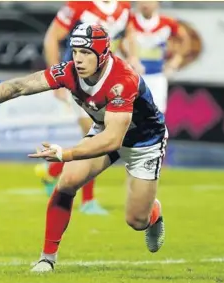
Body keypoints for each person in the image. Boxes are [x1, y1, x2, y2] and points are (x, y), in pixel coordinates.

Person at [0, 23, 167, 273]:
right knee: (68, 181)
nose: (79, 59)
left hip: (144, 141)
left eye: (86, 53)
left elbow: (112, 141)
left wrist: (66, 154)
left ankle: (153, 212)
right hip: (104, 128)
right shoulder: (69, 71)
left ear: (103, 54)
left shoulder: (122, 80)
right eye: (75, 52)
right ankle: (47, 259)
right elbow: (21, 86)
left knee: (136, 221)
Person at [38, 0, 144, 215]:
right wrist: (56, 77)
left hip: (111, 82)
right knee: (97, 137)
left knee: (108, 138)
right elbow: (52, 37)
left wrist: (133, 56)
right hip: (81, 82)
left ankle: (53, 169)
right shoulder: (79, 4)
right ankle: (87, 200)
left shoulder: (123, 6)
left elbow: (129, 32)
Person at [126, 1, 189, 114]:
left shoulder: (168, 22)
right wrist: (130, 56)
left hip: (157, 77)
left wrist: (176, 59)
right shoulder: (129, 21)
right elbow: (117, 40)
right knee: (133, 115)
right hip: (135, 77)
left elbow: (185, 40)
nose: (145, 4)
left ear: (158, 3)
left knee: (157, 115)